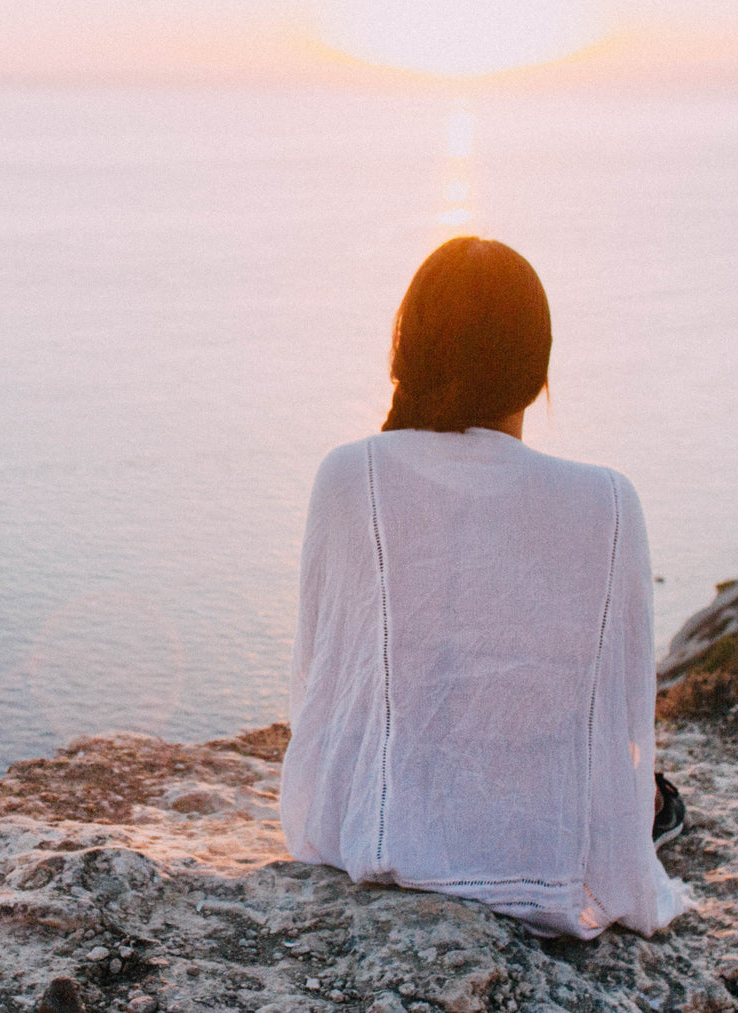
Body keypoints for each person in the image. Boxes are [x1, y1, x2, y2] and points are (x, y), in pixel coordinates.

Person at [279, 237, 689, 939]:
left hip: (378, 832)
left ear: (406, 351)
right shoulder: (609, 501)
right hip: (543, 843)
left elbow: (321, 688)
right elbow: (622, 715)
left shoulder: (349, 476)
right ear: (535, 369)